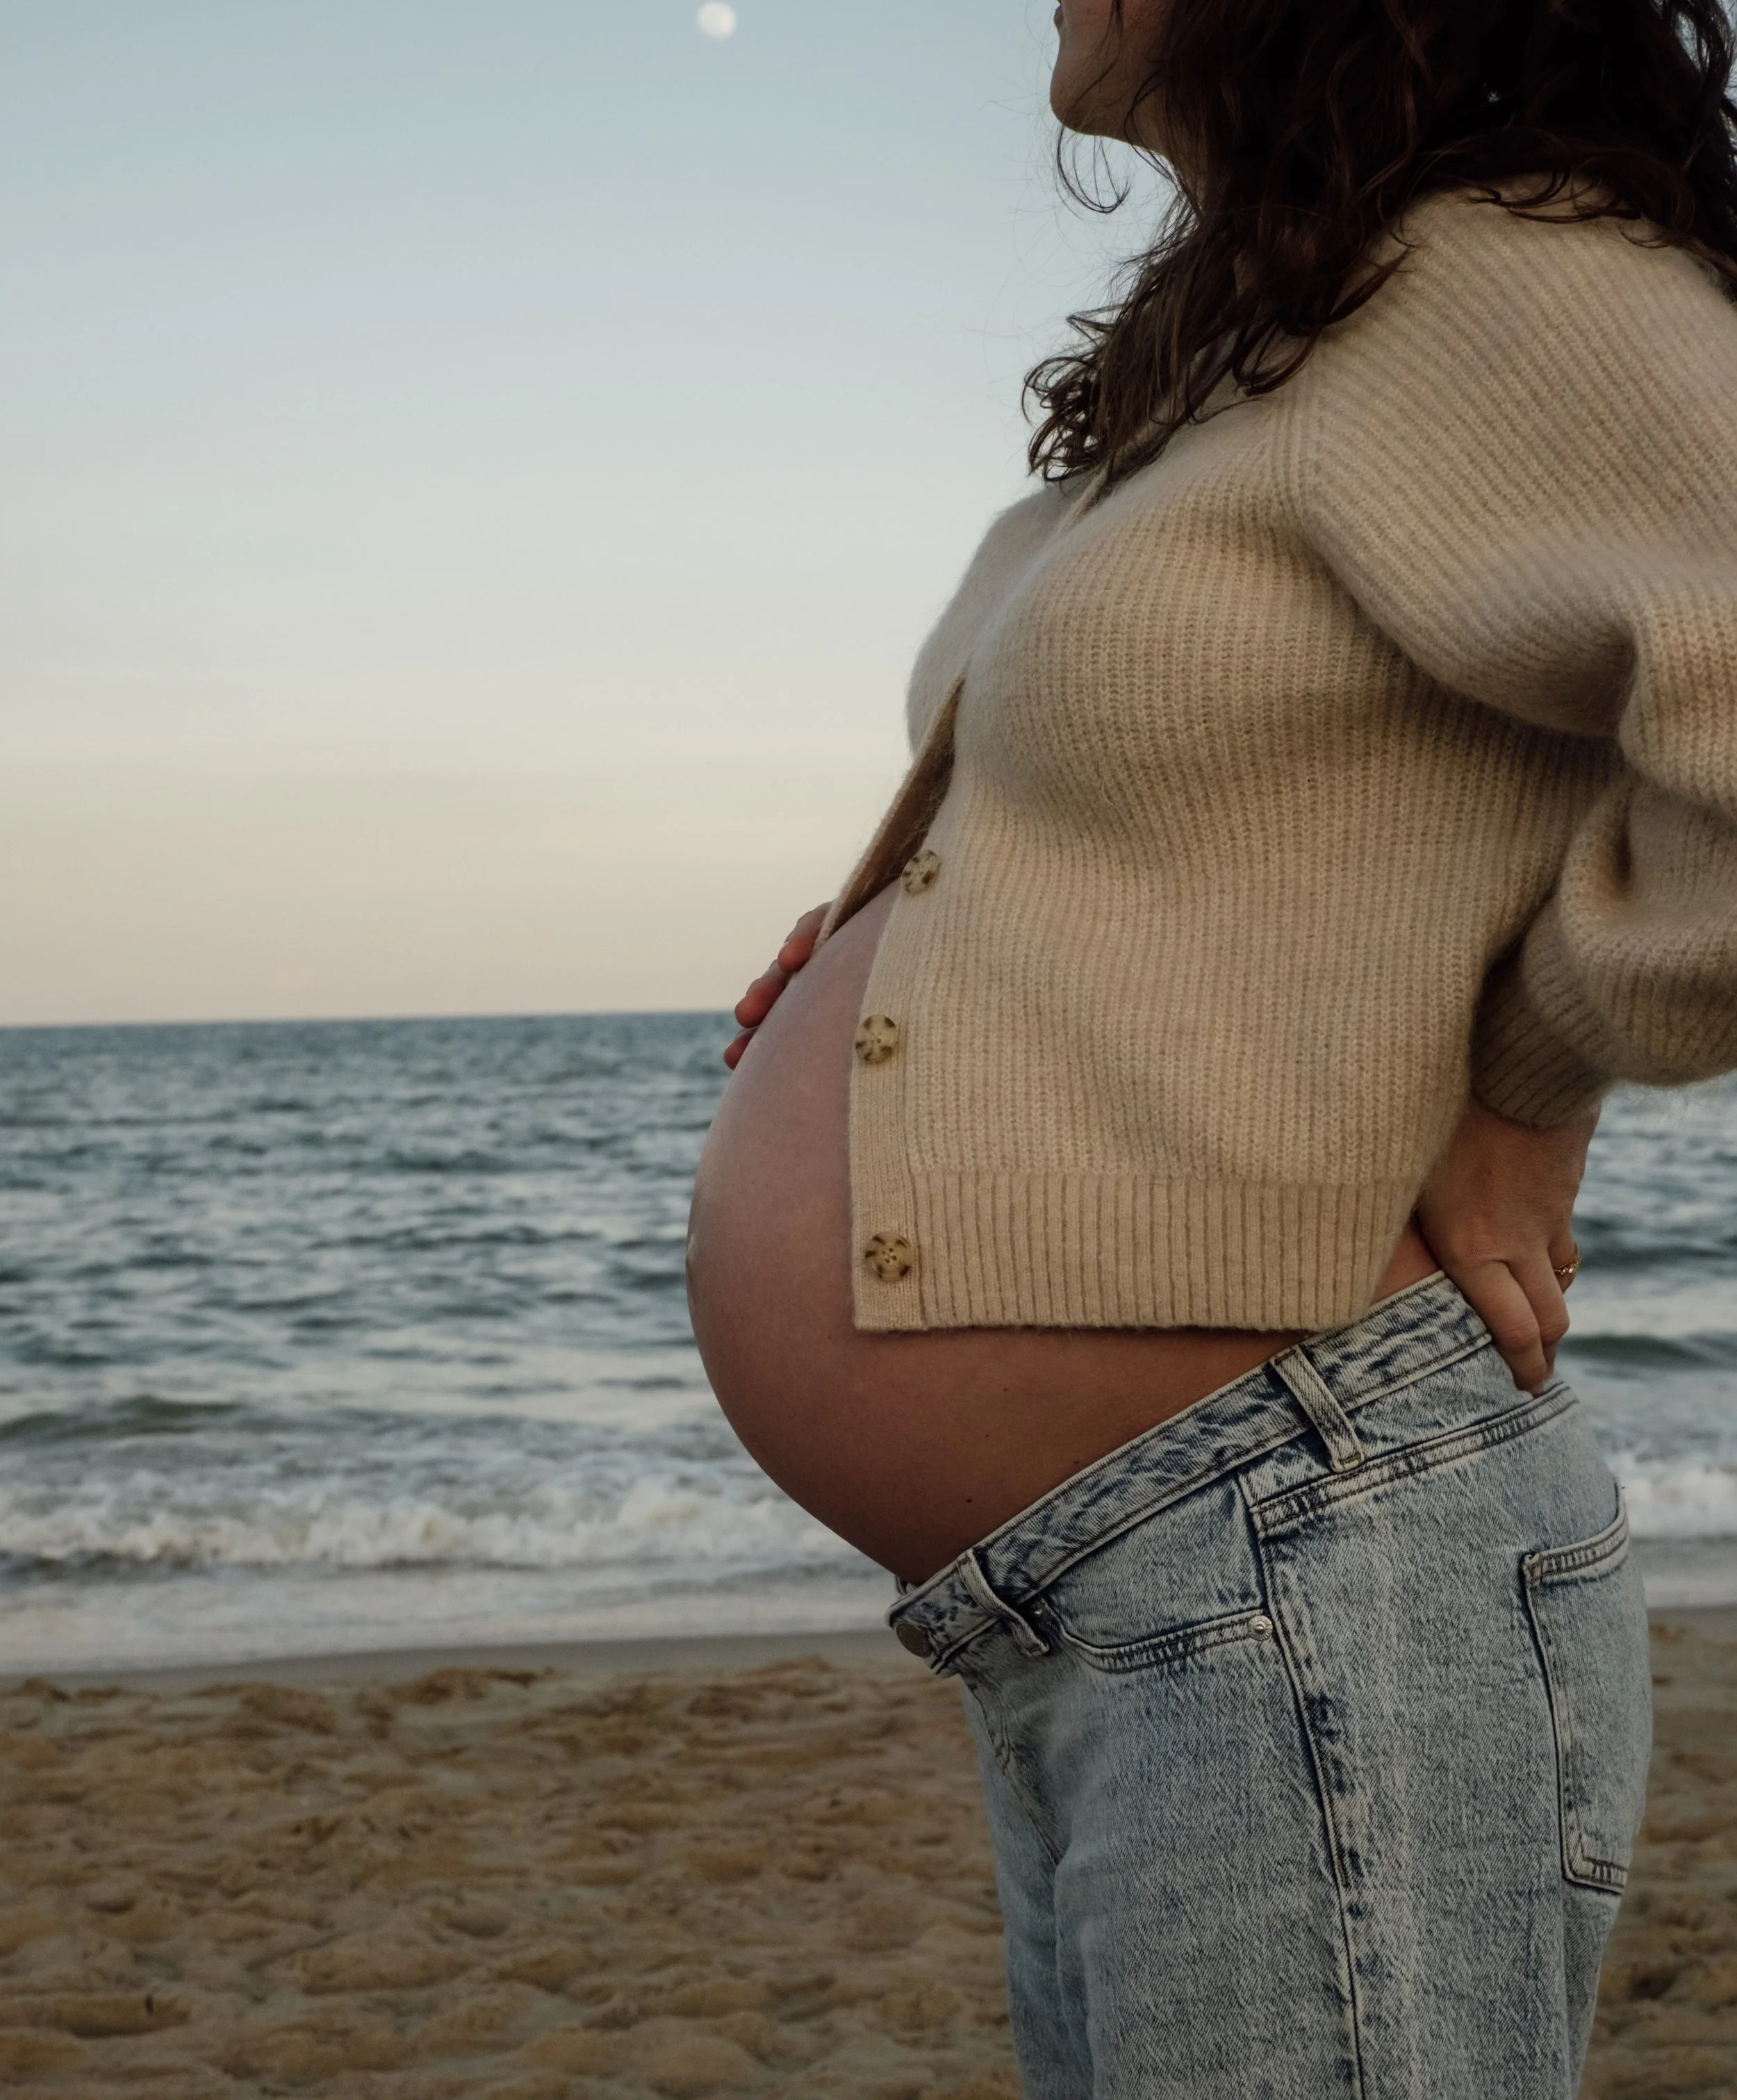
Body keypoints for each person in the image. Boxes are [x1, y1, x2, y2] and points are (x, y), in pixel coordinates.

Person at [686, 1, 1737, 2092]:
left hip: (1309, 1552)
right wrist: (913, 946)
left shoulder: (1509, 285)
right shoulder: (1265, 353)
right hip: (1131, 1599)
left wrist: (1533, 1074)